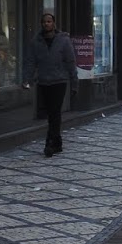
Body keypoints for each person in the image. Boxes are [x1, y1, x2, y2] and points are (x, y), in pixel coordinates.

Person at [23, 12, 79, 157]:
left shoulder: (63, 40)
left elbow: (71, 62)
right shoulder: (36, 42)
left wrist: (74, 82)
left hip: (59, 81)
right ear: (41, 24)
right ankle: (58, 142)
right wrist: (27, 79)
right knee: (50, 112)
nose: (46, 24)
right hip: (43, 82)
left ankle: (50, 143)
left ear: (54, 23)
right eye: (44, 22)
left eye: (49, 21)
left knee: (54, 112)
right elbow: (30, 62)